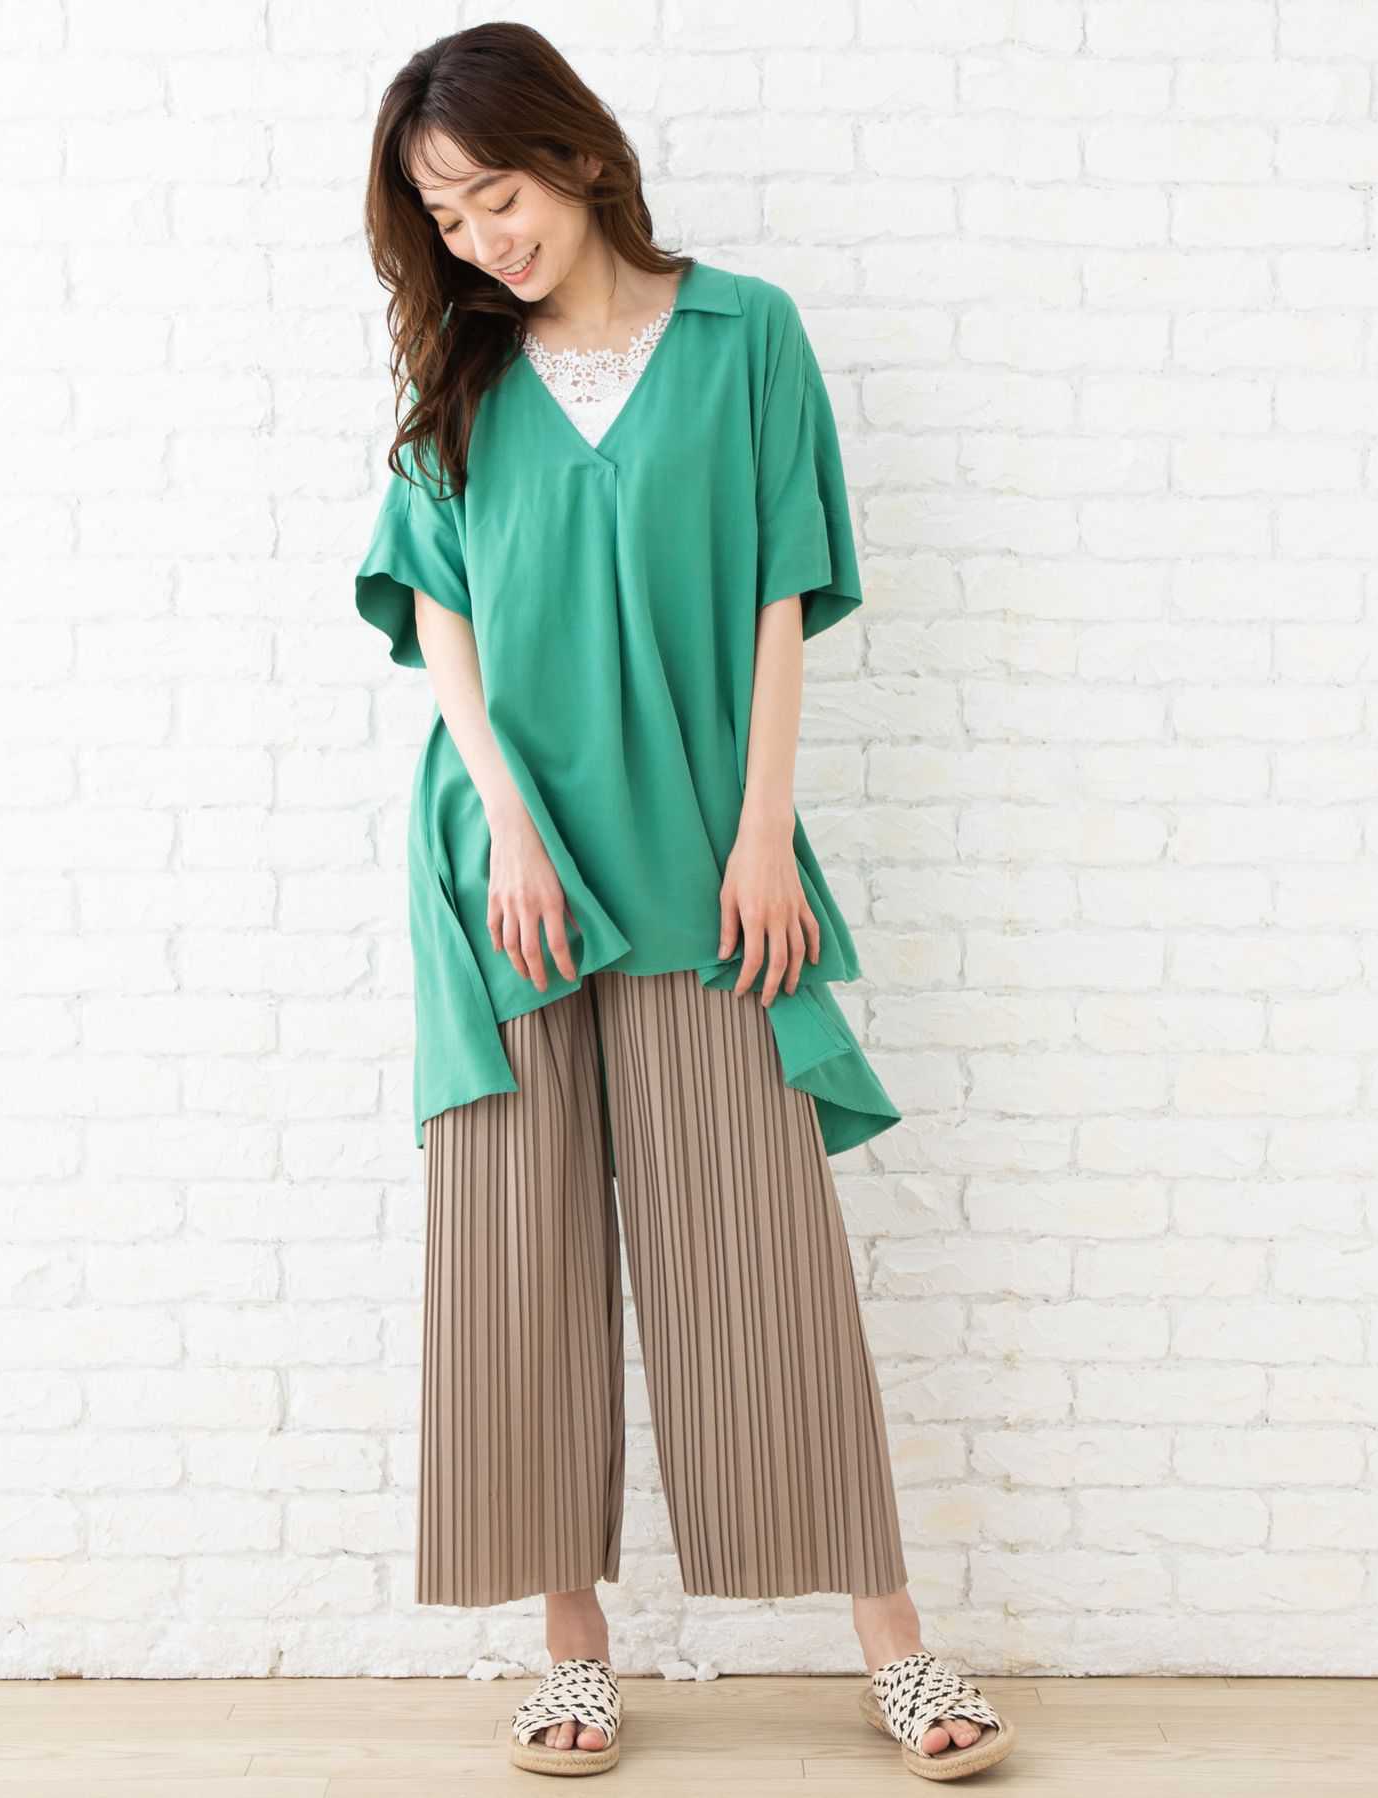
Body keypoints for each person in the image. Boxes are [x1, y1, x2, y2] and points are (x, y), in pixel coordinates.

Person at [355, 21, 1016, 1784]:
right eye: (443, 218)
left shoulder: (744, 335)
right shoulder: (465, 377)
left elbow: (783, 590)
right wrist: (504, 824)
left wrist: (763, 830)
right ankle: (571, 1654)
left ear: (576, 155)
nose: (480, 239)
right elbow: (440, 618)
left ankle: (897, 1648)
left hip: (701, 855)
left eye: (494, 194)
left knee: (764, 1256)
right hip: (506, 873)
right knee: (518, 1265)